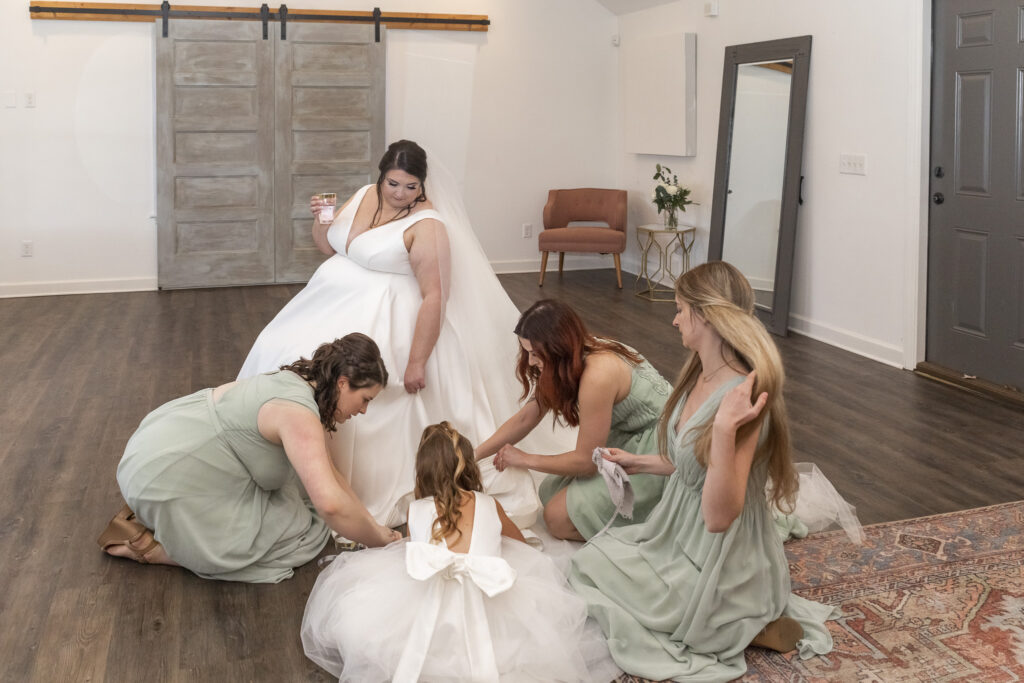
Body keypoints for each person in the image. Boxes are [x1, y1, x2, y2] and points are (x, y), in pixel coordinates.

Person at [238, 140, 567, 529]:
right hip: (323, 304)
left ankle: (341, 489)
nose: (400, 194)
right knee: (279, 350)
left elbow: (435, 295)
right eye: (393, 184)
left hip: (384, 317)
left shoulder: (427, 225)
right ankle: (270, 456)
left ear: (422, 185)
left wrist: (417, 361)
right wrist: (322, 221)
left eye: (411, 187)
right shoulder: (364, 195)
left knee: (355, 388)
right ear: (381, 176)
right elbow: (328, 247)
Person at [567, 262, 837, 682]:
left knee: (598, 572)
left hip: (719, 555)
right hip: (676, 534)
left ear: (706, 315)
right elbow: (693, 462)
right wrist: (639, 462)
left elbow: (718, 517)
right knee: (592, 560)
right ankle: (739, 622)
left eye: (680, 309)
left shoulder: (743, 399)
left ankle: (740, 620)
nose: (674, 320)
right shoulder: (701, 374)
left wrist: (726, 430)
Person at [300, 421, 619, 682]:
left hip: (423, 600)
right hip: (488, 599)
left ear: (422, 472)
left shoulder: (415, 510)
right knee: (521, 638)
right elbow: (521, 547)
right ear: (469, 469)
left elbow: (415, 553)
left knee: (369, 626)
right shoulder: (489, 504)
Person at [97, 334, 401, 583]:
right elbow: (330, 505)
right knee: (302, 533)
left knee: (297, 502)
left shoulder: (296, 381)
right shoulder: (299, 414)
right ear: (343, 383)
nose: (364, 411)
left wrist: (372, 526)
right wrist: (378, 541)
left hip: (150, 450)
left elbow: (332, 474)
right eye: (365, 400)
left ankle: (161, 521)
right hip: (167, 471)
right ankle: (157, 550)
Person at [476, 298, 672, 541]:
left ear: (557, 348)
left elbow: (585, 462)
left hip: (658, 448)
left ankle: (651, 525)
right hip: (629, 436)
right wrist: (474, 455)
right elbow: (527, 417)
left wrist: (525, 458)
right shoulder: (572, 357)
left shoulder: (598, 375)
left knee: (557, 518)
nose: (530, 361)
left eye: (535, 354)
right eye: (527, 352)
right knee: (549, 492)